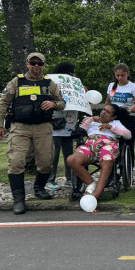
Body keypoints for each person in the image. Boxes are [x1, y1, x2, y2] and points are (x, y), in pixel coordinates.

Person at [0, 52, 66, 214]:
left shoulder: (50, 84)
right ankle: (19, 200)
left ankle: (39, 188)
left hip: (43, 127)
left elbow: (62, 103)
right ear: (27, 64)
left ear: (44, 65)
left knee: (47, 161)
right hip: (20, 127)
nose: (36, 66)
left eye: (39, 64)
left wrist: (54, 104)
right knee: (16, 161)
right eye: (33, 63)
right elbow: (3, 103)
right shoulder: (17, 82)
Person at [67, 104, 132, 203]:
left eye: (108, 112)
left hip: (107, 144)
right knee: (71, 160)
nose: (104, 112)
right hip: (90, 144)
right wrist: (91, 119)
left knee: (106, 160)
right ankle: (92, 184)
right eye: (104, 110)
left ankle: (97, 193)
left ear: (113, 117)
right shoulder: (92, 121)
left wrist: (111, 127)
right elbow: (82, 129)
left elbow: (128, 135)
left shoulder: (116, 122)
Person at [47, 61, 80, 191]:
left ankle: (69, 178)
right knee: (53, 154)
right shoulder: (52, 83)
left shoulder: (75, 83)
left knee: (69, 153)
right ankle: (50, 179)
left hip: (70, 124)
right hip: (55, 122)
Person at [106, 63, 135, 169]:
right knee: (110, 142)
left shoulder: (133, 87)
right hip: (114, 117)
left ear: (127, 74)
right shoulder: (112, 86)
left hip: (129, 117)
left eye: (122, 75)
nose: (120, 78)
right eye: (117, 75)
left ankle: (128, 170)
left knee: (128, 143)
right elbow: (108, 101)